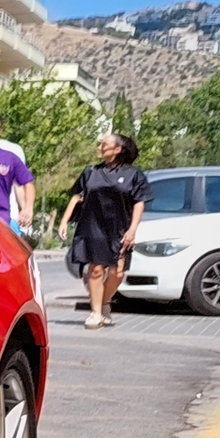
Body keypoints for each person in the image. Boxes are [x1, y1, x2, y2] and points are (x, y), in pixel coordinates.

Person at [59, 133, 149, 329]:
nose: (100, 147)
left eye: (105, 144)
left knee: (117, 272)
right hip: (93, 227)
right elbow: (76, 197)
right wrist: (64, 221)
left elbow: (139, 203)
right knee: (96, 270)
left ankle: (105, 301)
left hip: (120, 228)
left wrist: (133, 229)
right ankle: (96, 312)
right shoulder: (90, 172)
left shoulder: (134, 175)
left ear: (117, 149)